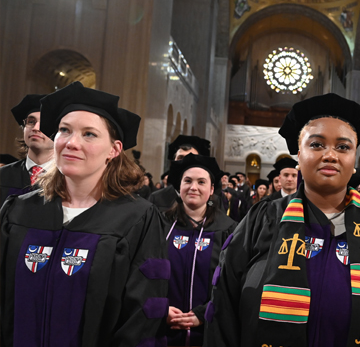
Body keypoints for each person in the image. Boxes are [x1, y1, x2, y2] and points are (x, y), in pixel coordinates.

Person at [205, 93, 360, 347]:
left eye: (343, 147)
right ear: (299, 157)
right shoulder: (262, 221)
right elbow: (223, 309)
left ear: (354, 160)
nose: (330, 155)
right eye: (316, 145)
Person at [0, 81, 169, 346]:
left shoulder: (137, 219)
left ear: (113, 150)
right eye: (64, 130)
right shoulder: (19, 211)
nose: (72, 143)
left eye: (89, 134)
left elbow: (142, 317)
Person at [163, 154, 237, 346]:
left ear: (211, 189)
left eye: (201, 182)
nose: (193, 187)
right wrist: (161, 309)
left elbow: (232, 282)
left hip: (209, 330)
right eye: (187, 181)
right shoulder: (159, 225)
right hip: (162, 328)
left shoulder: (229, 230)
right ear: (179, 187)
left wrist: (205, 313)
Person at [0, 94, 54, 205]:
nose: (35, 128)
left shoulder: (69, 180)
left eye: (44, 123)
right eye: (31, 122)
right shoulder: (2, 176)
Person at [148, 135, 211, 212]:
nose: (185, 161)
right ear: (173, 163)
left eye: (191, 158)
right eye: (180, 157)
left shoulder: (211, 199)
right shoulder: (157, 198)